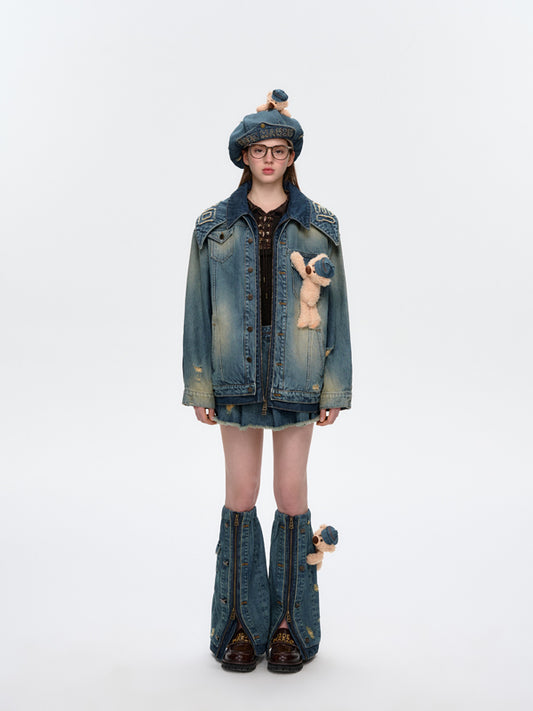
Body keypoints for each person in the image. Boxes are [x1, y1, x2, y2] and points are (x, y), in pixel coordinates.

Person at [182, 90, 352, 673]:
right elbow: (197, 309)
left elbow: (338, 313)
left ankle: (287, 626)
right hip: (232, 377)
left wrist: (335, 388)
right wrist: (199, 385)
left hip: (299, 378)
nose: (270, 159)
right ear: (244, 156)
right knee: (240, 493)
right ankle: (238, 624)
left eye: (279, 150)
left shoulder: (320, 225)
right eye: (260, 150)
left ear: (291, 155)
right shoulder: (213, 226)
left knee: (290, 494)